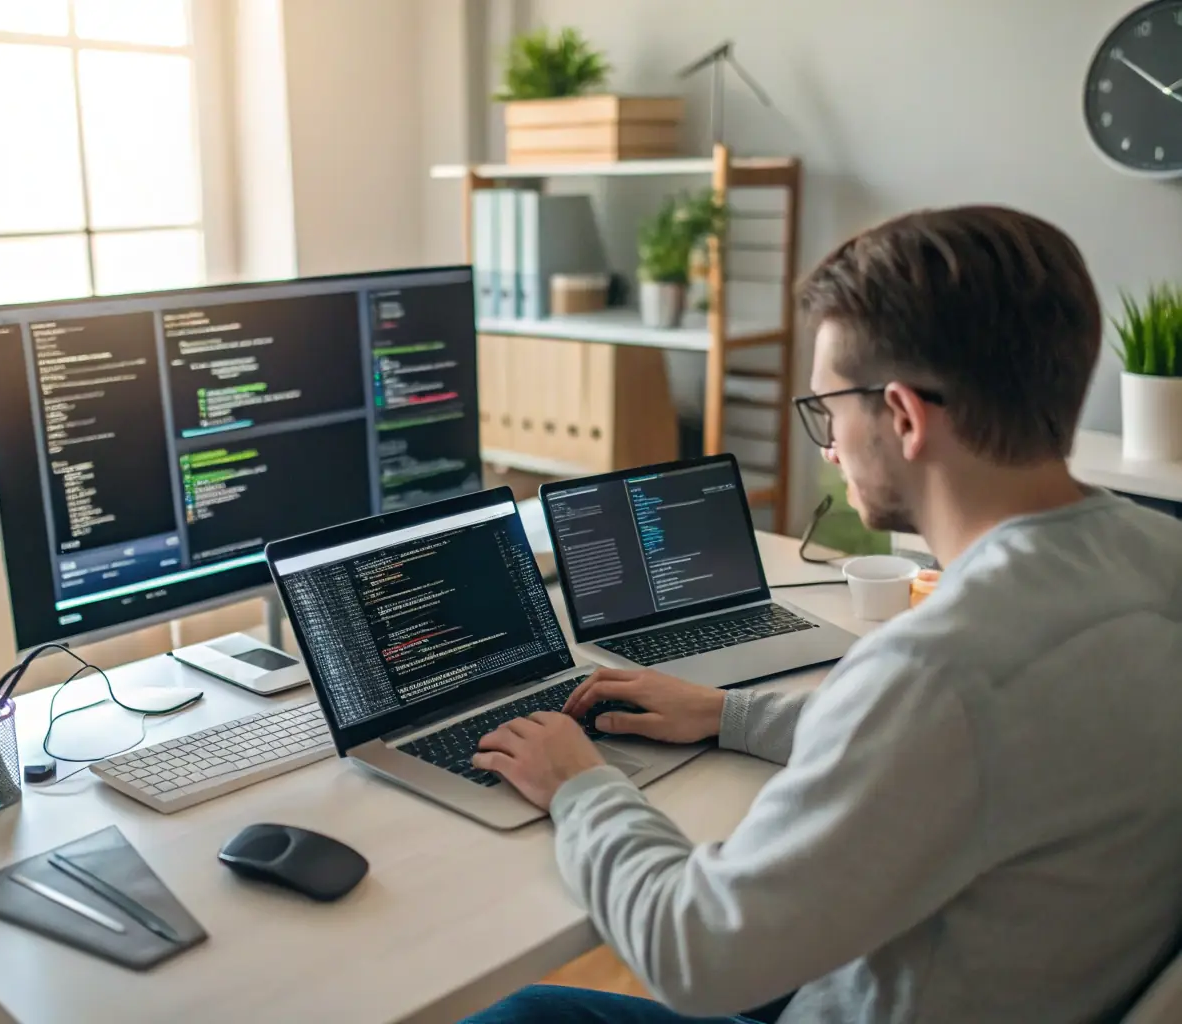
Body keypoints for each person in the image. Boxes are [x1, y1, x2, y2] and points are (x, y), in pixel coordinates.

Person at [462, 206, 1182, 1024]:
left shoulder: (938, 668)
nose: (829, 446)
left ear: (904, 416)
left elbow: (693, 953)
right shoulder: (1158, 557)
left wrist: (578, 785)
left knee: (520, 1014)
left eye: (827, 410)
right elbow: (967, 749)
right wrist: (729, 714)